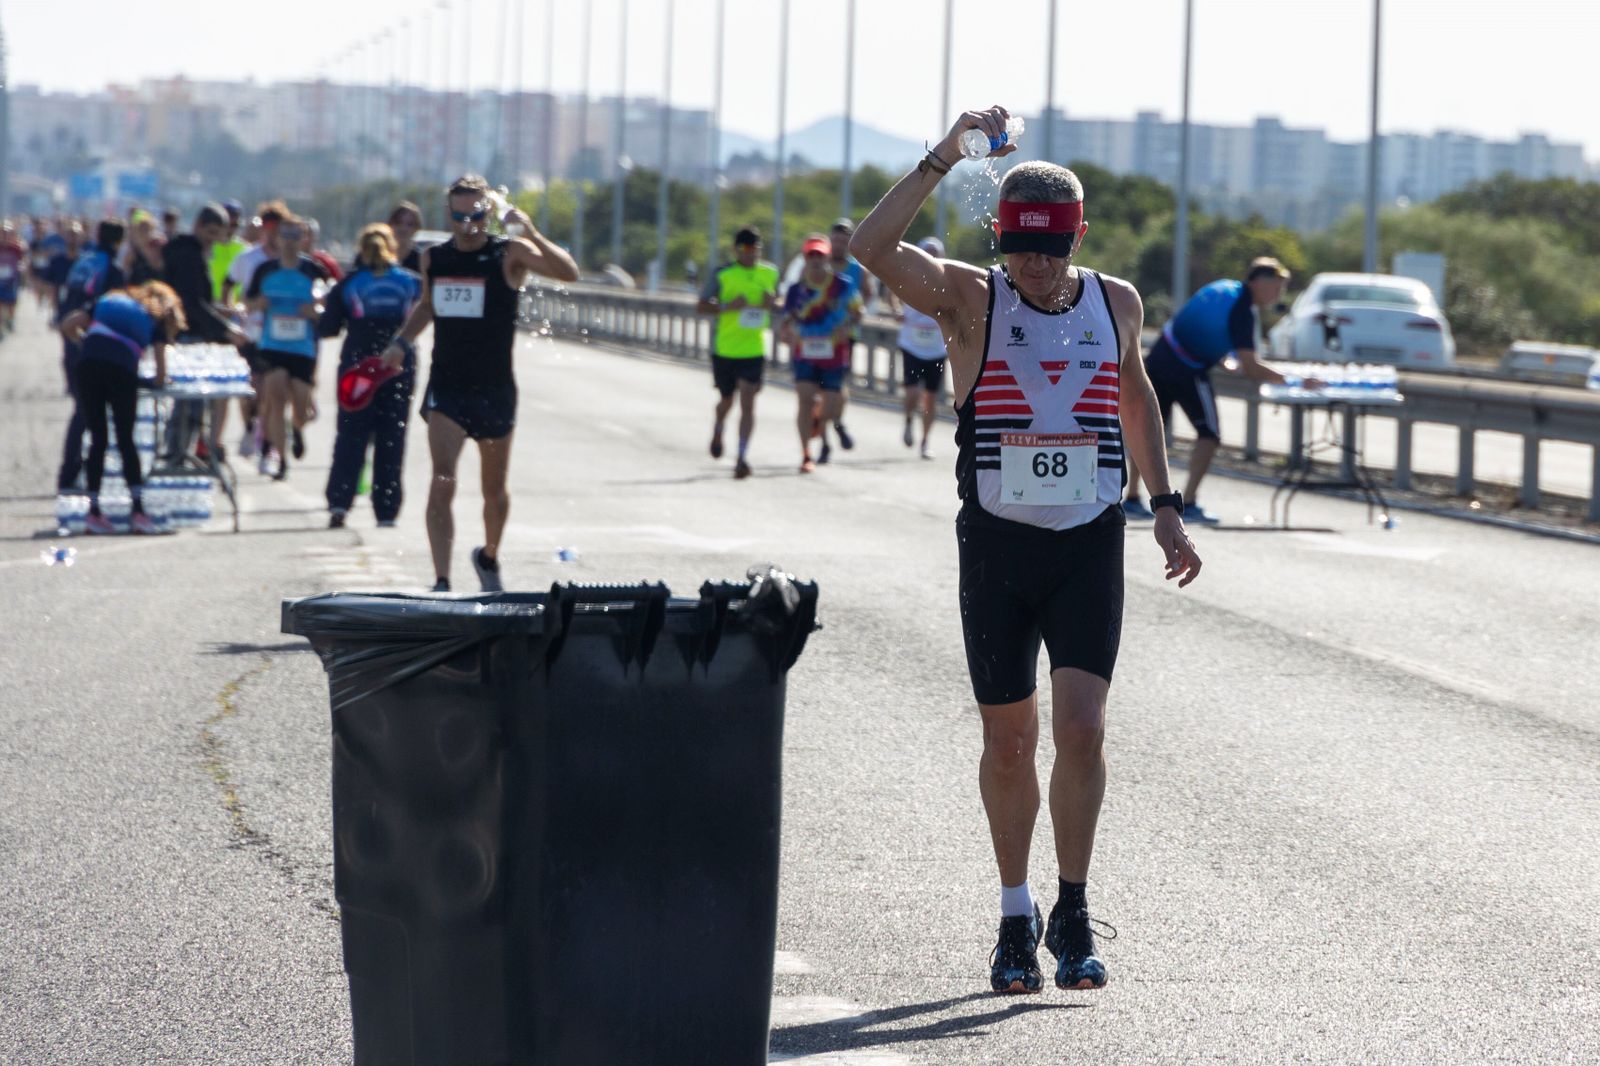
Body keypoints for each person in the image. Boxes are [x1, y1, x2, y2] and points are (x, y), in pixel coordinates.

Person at [851, 106, 1203, 995]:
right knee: (1011, 744)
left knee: (1082, 730)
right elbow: (869, 245)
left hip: (1088, 543)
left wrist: (1162, 504)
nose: (1033, 262)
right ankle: (1015, 916)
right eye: (1017, 242)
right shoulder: (970, 297)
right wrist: (945, 153)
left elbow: (1138, 398)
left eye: (1049, 245)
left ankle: (1073, 909)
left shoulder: (1115, 301)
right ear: (998, 236)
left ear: (1078, 236)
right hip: (999, 549)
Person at [379, 174, 579, 593]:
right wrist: (400, 342)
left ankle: (488, 555)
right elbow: (428, 306)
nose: (467, 222)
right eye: (458, 214)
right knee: (442, 477)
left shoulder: (510, 254)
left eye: (476, 214)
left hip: (495, 388)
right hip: (447, 385)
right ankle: (441, 579)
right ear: (448, 214)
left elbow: (568, 273)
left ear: (488, 213)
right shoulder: (435, 258)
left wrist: (533, 232)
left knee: (494, 492)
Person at [1123, 257, 1319, 525]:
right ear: (1259, 282)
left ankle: (1132, 498)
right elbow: (1250, 367)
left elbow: (1205, 327)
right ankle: (1188, 502)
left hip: (1160, 356)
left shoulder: (1225, 288)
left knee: (1146, 430)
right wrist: (1294, 380)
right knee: (1210, 435)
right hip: (1188, 369)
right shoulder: (1243, 309)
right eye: (1277, 287)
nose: (1279, 294)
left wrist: (1220, 358)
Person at [56, 282, 186, 534]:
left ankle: (93, 513)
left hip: (88, 366)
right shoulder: (155, 318)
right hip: (121, 372)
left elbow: (68, 324)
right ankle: (138, 511)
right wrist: (148, 380)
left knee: (98, 439)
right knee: (125, 439)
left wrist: (85, 343)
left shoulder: (109, 302)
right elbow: (161, 374)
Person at [320, 224, 423, 529]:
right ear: (391, 247)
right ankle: (387, 509)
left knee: (351, 434)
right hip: (398, 366)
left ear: (360, 249)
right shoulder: (412, 283)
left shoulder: (350, 284)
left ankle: (340, 501)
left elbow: (327, 328)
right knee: (392, 436)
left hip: (357, 367)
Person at [244, 212, 331, 480]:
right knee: (275, 398)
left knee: (301, 408)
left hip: (303, 347)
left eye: (297, 236)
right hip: (272, 345)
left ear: (304, 239)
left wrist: (315, 310)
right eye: (286, 235)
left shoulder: (313, 270)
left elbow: (329, 305)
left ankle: (298, 428)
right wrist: (259, 305)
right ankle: (281, 461)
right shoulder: (265, 270)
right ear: (278, 238)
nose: (291, 241)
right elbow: (247, 302)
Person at [695, 226, 779, 479]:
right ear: (736, 250)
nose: (750, 254)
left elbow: (783, 302)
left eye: (755, 249)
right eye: (745, 249)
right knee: (726, 401)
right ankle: (719, 426)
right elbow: (701, 306)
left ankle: (742, 456)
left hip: (754, 349)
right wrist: (726, 306)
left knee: (748, 403)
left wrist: (772, 302)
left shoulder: (770, 272)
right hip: (725, 349)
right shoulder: (723, 273)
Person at [53, 221, 127, 493]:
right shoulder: (112, 268)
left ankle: (73, 470)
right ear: (119, 242)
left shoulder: (83, 262)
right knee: (87, 411)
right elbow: (112, 309)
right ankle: (71, 473)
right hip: (90, 344)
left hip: (69, 337)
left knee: (82, 409)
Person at [779, 234, 861, 473]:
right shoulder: (796, 290)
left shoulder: (843, 285)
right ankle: (806, 454)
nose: (816, 260)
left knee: (831, 407)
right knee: (804, 400)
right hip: (804, 354)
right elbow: (785, 322)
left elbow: (858, 312)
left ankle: (820, 420)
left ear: (827, 258)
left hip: (834, 354)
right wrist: (786, 333)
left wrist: (850, 326)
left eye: (820, 255)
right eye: (811, 255)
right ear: (805, 259)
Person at [896, 235, 950, 458]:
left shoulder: (949, 282)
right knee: (912, 393)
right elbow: (890, 292)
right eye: (927, 254)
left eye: (935, 254)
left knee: (930, 397)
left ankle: (925, 441)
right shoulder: (907, 278)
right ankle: (909, 420)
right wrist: (897, 311)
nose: (931, 258)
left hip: (937, 348)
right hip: (912, 344)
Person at [208, 200, 249, 302]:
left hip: (233, 309)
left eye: (235, 225)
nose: (231, 230)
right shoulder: (208, 245)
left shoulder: (244, 249)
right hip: (209, 304)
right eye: (229, 224)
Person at [0, 223, 29, 335]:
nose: (5, 236)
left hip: (11, 279)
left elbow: (23, 261)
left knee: (11, 303)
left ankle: (10, 320)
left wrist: (22, 268)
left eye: (7, 234)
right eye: (3, 233)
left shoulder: (16, 248)